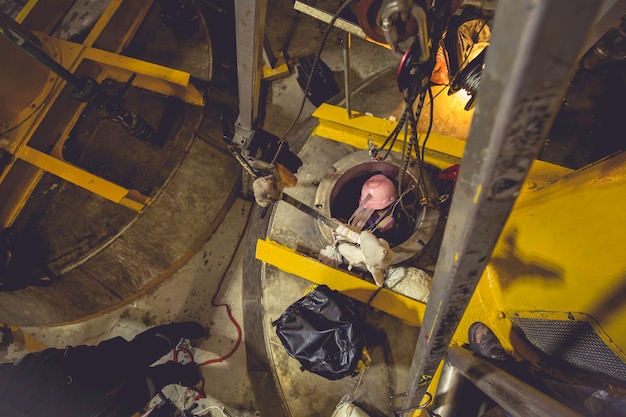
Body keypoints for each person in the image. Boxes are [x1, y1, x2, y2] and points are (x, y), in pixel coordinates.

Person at [0, 321, 207, 417]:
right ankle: (174, 373)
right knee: (136, 395)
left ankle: (175, 332)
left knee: (133, 355)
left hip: (66, 376)